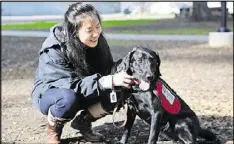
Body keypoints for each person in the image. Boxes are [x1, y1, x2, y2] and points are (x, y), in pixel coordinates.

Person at [31, 2, 136, 144]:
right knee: (68, 100)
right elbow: (70, 85)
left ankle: (83, 121)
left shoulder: (98, 40)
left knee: (120, 90)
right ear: (74, 31)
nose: (96, 33)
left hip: (85, 86)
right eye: (89, 30)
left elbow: (107, 70)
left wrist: (129, 65)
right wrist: (107, 81)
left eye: (98, 27)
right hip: (53, 93)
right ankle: (54, 128)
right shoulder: (54, 50)